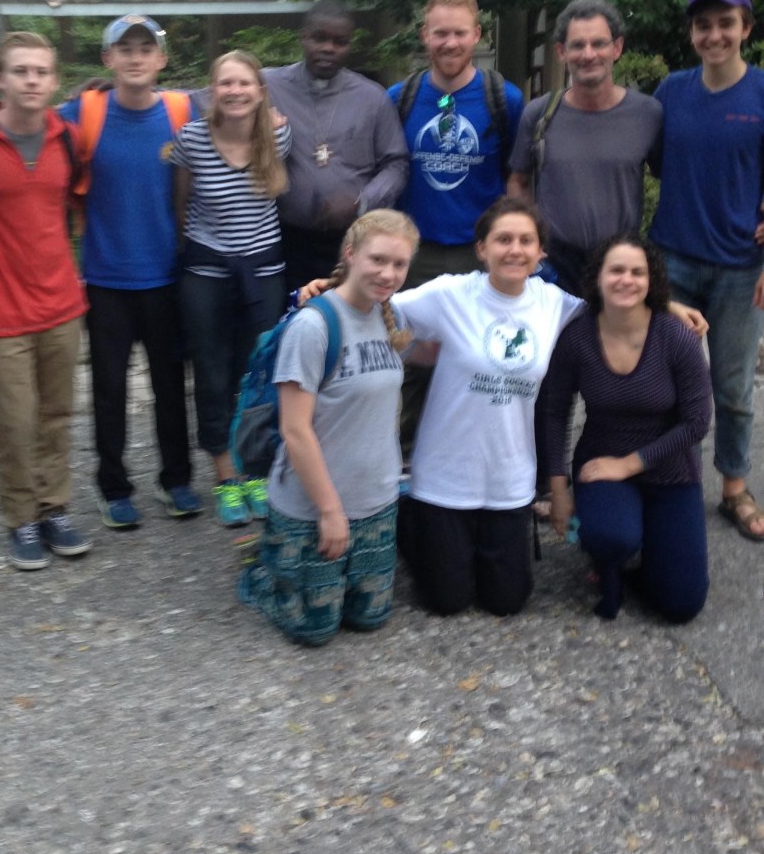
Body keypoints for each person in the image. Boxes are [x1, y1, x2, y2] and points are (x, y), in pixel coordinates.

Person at [394, 197, 584, 617]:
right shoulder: (449, 294)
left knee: (506, 601)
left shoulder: (554, 303)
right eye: (503, 240)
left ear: (541, 253)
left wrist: (670, 305)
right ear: (481, 249)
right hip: (445, 476)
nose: (514, 250)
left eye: (526, 241)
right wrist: (323, 293)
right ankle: (409, 518)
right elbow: (380, 311)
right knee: (447, 601)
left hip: (508, 477)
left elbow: (619, 311)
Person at [237, 210, 419, 646]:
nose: (388, 273)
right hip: (315, 504)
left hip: (375, 501)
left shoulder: (392, 316)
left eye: (399, 264)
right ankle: (266, 567)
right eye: (378, 259)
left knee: (369, 619)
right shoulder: (313, 326)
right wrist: (330, 511)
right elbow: (295, 430)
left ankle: (295, 561)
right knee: (315, 629)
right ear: (350, 254)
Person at [0, 32, 90, 571]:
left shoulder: (68, 139)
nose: (32, 80)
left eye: (41, 72)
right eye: (21, 71)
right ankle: (21, 516)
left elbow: (73, 205)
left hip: (60, 306)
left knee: (56, 416)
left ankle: (54, 508)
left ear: (54, 81)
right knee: (14, 423)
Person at [59, 15, 197, 529]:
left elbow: (241, 112)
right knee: (109, 390)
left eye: (145, 49)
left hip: (167, 275)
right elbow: (27, 127)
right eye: (125, 49)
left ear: (161, 59)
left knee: (170, 387)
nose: (136, 57)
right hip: (105, 278)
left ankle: (176, 480)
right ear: (108, 59)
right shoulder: (84, 112)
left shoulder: (183, 110)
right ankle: (113, 488)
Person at [649, 0, 764, 542]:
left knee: (734, 388)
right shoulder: (671, 91)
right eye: (703, 25)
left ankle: (734, 487)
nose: (714, 35)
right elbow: (651, 161)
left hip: (742, 266)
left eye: (725, 23)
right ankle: (674, 480)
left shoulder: (762, 91)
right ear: (692, 32)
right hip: (674, 258)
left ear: (746, 28)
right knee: (669, 383)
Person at [544, 235, 712, 621]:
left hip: (670, 469)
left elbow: (696, 423)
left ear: (652, 281)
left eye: (638, 272)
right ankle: (609, 559)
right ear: (598, 277)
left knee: (682, 604)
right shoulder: (577, 337)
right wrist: (559, 491)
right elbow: (556, 414)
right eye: (616, 270)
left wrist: (628, 464)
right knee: (611, 536)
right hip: (601, 463)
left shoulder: (677, 338)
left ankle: (647, 556)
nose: (627, 280)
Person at [389, 0, 524, 457]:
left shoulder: (503, 99)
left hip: (477, 254)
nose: (450, 43)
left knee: (481, 357)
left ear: (477, 35)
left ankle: (475, 453)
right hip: (416, 254)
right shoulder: (400, 98)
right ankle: (410, 455)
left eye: (460, 33)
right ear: (424, 35)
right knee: (414, 361)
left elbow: (516, 177)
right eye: (440, 33)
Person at [171, 50, 291, 528]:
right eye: (226, 83)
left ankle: (254, 470)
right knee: (212, 372)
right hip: (207, 270)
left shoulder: (278, 135)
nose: (235, 91)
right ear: (212, 90)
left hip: (263, 269)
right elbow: (181, 203)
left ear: (260, 91)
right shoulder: (192, 139)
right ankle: (225, 476)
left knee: (256, 372)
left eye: (244, 83)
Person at [507, 0, 662, 295]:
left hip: (620, 265)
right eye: (577, 45)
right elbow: (518, 181)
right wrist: (528, 241)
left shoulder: (647, 114)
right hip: (555, 267)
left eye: (599, 44)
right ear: (561, 52)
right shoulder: (539, 114)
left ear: (617, 48)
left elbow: (674, 180)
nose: (588, 54)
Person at [263, 0, 409, 291]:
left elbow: (397, 163)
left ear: (350, 44)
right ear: (304, 37)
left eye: (340, 42)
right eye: (319, 38)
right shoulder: (268, 86)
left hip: (351, 241)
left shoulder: (372, 98)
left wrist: (362, 201)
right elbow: (221, 102)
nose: (328, 48)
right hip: (284, 239)